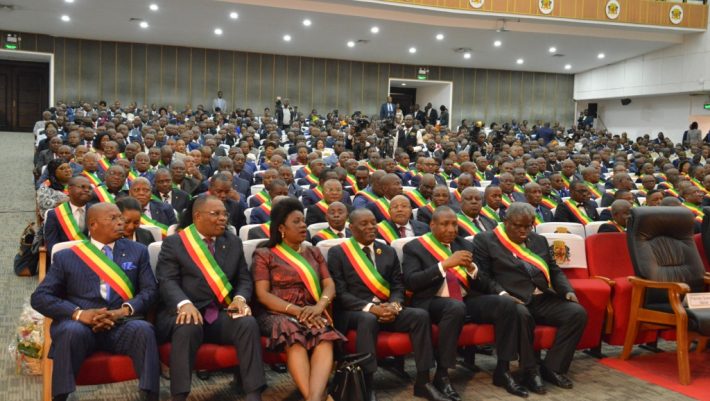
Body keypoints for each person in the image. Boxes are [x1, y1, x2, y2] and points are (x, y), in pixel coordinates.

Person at [31, 203, 160, 401]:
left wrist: (124, 311)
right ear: (93, 225)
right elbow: (40, 297)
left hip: (121, 323)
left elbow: (151, 290)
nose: (121, 222)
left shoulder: (138, 251)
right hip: (81, 325)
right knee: (69, 331)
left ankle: (150, 395)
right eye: (113, 218)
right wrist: (79, 314)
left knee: (144, 330)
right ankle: (59, 397)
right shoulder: (67, 257)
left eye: (120, 217)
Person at [404, 206, 529, 399]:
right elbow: (412, 282)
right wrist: (444, 265)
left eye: (454, 224)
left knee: (505, 304)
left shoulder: (464, 244)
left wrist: (473, 270)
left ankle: (503, 370)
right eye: (445, 224)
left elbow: (483, 281)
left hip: (464, 301)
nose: (451, 229)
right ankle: (442, 375)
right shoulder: (415, 247)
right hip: (431, 302)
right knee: (455, 307)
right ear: (432, 225)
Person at [155, 195, 266, 401]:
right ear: (197, 216)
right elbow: (167, 280)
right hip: (186, 312)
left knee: (247, 323)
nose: (223, 218)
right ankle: (179, 395)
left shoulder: (232, 242)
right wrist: (184, 304)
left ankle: (253, 393)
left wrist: (240, 299)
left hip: (220, 313)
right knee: (187, 325)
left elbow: (243, 278)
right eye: (216, 214)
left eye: (225, 214)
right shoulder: (175, 243)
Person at [328, 209, 445, 401]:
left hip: (386, 309)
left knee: (420, 316)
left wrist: (395, 305)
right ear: (352, 228)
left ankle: (423, 382)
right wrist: (371, 308)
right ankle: (367, 384)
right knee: (368, 319)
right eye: (364, 224)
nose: (371, 227)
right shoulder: (338, 253)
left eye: (373, 222)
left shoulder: (387, 251)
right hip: (354, 312)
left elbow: (398, 285)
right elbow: (341, 294)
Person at [473, 203, 587, 393]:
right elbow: (483, 276)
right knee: (521, 314)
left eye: (528, 226)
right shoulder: (485, 240)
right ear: (506, 222)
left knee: (576, 313)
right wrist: (503, 294)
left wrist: (567, 290)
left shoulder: (539, 240)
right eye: (518, 226)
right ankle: (530, 371)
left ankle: (553, 367)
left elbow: (554, 270)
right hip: (512, 299)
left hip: (541, 297)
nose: (523, 231)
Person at [252, 198, 345, 401]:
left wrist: (319, 307)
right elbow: (262, 295)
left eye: (303, 221)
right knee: (293, 334)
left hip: (312, 311)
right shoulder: (264, 254)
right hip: (276, 313)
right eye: (296, 222)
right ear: (281, 228)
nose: (303, 225)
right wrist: (297, 311)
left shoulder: (313, 251)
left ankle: (313, 398)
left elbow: (329, 284)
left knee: (324, 335)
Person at [44, 176, 93, 257]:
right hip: (65, 259)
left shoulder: (96, 211)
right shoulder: (55, 214)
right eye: (82, 187)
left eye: (90, 188)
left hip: (92, 258)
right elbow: (52, 244)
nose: (87, 190)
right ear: (69, 189)